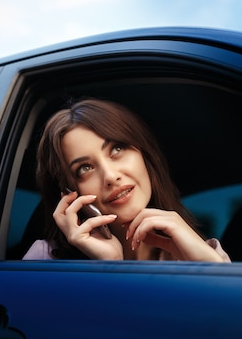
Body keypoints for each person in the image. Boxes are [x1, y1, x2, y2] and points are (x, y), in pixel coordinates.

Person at [23, 98, 230, 263]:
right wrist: (109, 265)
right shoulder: (44, 261)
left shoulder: (204, 255)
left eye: (117, 149)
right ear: (69, 192)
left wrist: (205, 264)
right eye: (85, 168)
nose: (111, 176)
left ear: (144, 155)